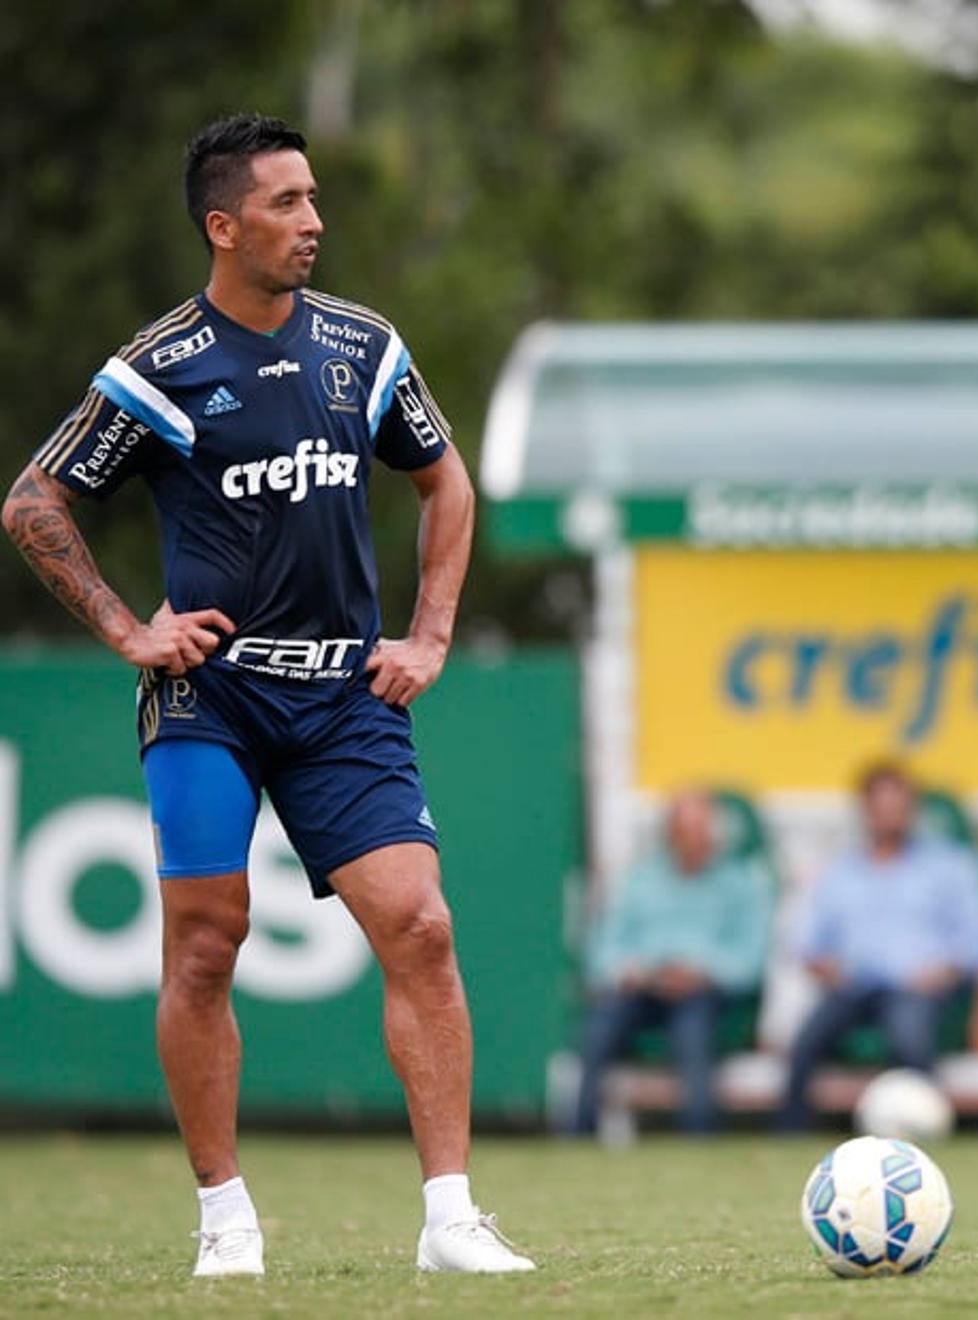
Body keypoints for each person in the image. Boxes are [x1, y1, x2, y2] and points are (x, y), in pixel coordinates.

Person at [0, 114, 533, 1275]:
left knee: (423, 929)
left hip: (344, 699)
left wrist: (431, 635)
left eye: (315, 199)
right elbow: (32, 503)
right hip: (213, 701)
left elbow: (448, 486)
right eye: (289, 204)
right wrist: (126, 627)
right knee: (205, 945)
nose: (315, 223)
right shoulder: (158, 367)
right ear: (223, 225)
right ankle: (225, 1223)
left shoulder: (365, 348)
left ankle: (451, 1221)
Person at [777, 762, 978, 1131]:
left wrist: (943, 972)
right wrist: (826, 967)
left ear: (912, 810)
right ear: (865, 811)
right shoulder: (840, 870)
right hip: (854, 986)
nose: (889, 816)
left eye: (898, 807)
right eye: (880, 807)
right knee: (804, 1043)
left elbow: (976, 943)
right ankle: (792, 1137)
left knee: (909, 1037)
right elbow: (808, 943)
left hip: (918, 987)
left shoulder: (950, 865)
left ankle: (923, 1130)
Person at [569, 790, 774, 1136]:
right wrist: (629, 970)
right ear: (670, 834)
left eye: (700, 829)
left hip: (704, 992)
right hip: (643, 988)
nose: (692, 839)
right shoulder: (641, 879)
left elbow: (749, 960)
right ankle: (576, 1133)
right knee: (600, 1027)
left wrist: (702, 971)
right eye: (684, 830)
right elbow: (604, 949)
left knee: (693, 1032)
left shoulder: (742, 884)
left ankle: (699, 1135)